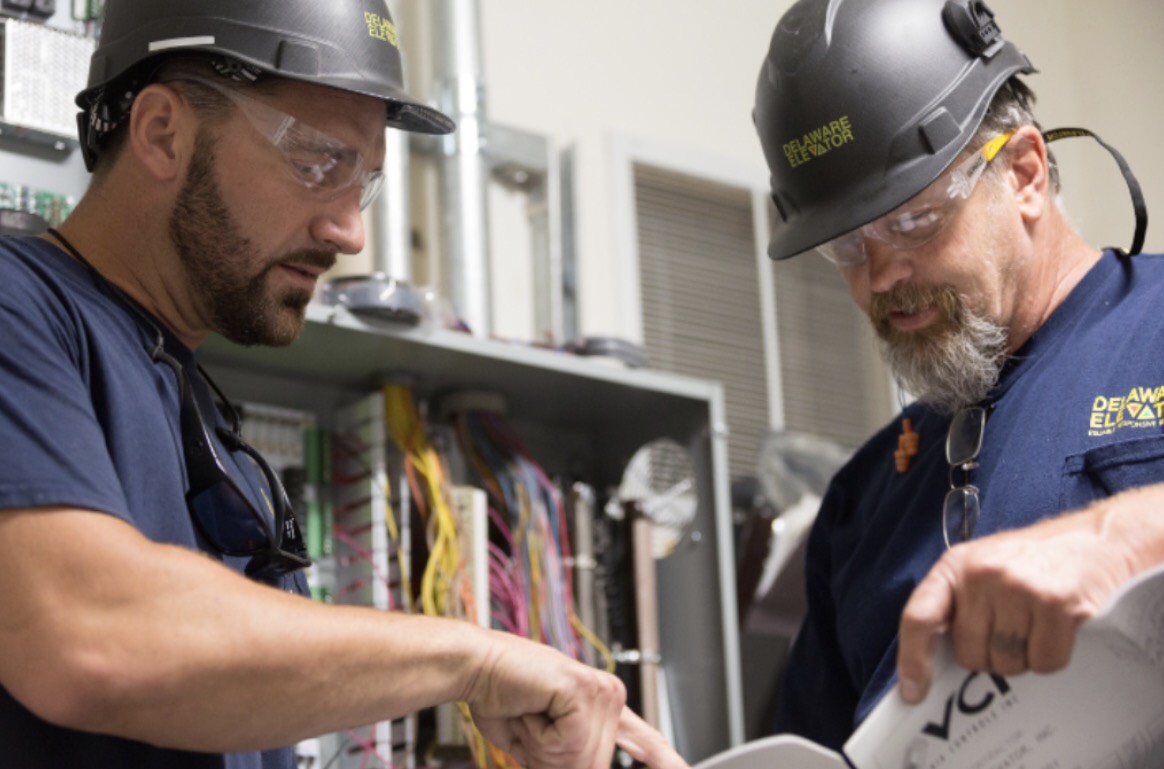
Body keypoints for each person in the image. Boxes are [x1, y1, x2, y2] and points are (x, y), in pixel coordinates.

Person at [0, 2, 688, 768]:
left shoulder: (209, 436)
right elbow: (86, 635)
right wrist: (473, 658)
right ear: (163, 132)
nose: (349, 232)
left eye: (360, 183)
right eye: (317, 161)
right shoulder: (19, 311)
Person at [752, 0, 1164, 751]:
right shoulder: (859, 502)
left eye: (913, 222)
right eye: (846, 248)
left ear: (1025, 174)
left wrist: (1126, 535)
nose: (881, 277)